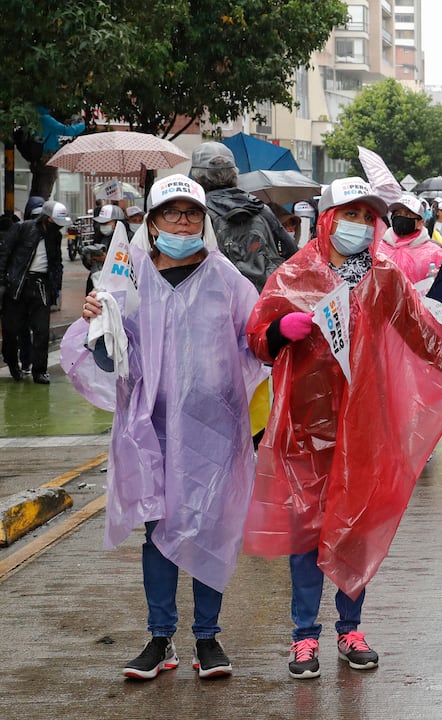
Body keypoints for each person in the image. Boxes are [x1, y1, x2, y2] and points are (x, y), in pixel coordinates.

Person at [242, 177, 442, 679]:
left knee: (356, 526)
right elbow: (257, 341)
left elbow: (425, 339)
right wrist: (279, 330)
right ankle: (303, 637)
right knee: (308, 531)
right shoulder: (294, 275)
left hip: (364, 422)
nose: (361, 225)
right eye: (351, 214)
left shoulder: (384, 278)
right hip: (305, 424)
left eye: (369, 217)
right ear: (327, 217)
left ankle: (350, 629)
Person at [61, 175, 266, 680]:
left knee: (208, 526)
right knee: (158, 529)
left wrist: (285, 327)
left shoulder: (227, 279)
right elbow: (110, 358)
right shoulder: (126, 283)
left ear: (203, 221)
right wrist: (97, 321)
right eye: (171, 214)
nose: (183, 223)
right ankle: (160, 638)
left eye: (191, 214)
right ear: (151, 225)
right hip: (149, 427)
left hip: (213, 428)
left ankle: (208, 639)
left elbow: (256, 343)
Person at [188, 141, 296, 290]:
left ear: (197, 179)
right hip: (264, 297)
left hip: (219, 296)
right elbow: (293, 253)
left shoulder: (197, 213)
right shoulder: (260, 208)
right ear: (234, 174)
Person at [0, 200, 70, 383]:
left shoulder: (55, 236)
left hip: (41, 285)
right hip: (17, 285)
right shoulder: (22, 229)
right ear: (47, 219)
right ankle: (12, 363)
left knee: (41, 330)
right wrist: (3, 282)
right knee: (11, 329)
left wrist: (56, 287)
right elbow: (4, 254)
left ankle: (40, 370)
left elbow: (57, 262)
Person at [382, 194, 442, 284]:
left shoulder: (435, 253)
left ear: (420, 222)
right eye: (397, 214)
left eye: (408, 215)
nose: (401, 217)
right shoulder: (379, 249)